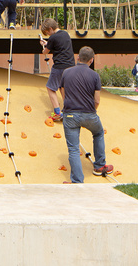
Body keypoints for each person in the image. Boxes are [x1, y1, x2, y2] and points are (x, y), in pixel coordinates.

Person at [60, 46, 113, 183]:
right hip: (89, 113)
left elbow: (63, 91)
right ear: (91, 60)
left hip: (70, 114)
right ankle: (100, 166)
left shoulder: (66, 72)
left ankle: (77, 181)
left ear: (78, 57)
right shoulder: (94, 75)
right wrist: (92, 110)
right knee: (98, 133)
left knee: (73, 148)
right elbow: (97, 100)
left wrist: (68, 104)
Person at [40, 18, 75, 121]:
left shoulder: (53, 38)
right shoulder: (65, 34)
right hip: (71, 66)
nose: (49, 35)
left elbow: (45, 52)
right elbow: (57, 44)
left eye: (48, 33)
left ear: (50, 29)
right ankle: (67, 111)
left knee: (50, 88)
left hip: (60, 66)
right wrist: (48, 42)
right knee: (63, 87)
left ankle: (57, 112)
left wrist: (44, 46)